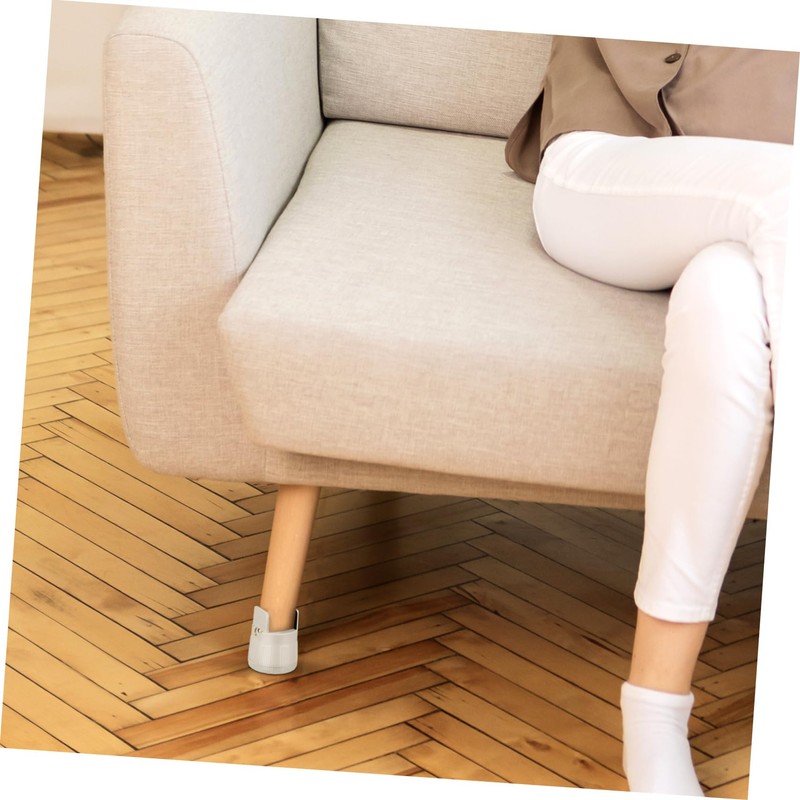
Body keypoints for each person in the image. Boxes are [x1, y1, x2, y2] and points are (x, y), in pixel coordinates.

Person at [505, 37, 798, 795]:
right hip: (608, 169)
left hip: (758, 224)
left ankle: (655, 711)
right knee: (789, 196)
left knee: (724, 307)